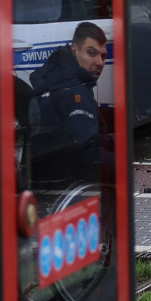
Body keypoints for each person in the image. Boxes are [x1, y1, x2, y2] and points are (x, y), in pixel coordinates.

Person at [30, 22, 112, 184]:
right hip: (62, 182)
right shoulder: (74, 91)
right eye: (91, 53)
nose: (100, 63)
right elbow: (90, 153)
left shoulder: (60, 77)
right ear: (75, 49)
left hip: (48, 175)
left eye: (103, 56)